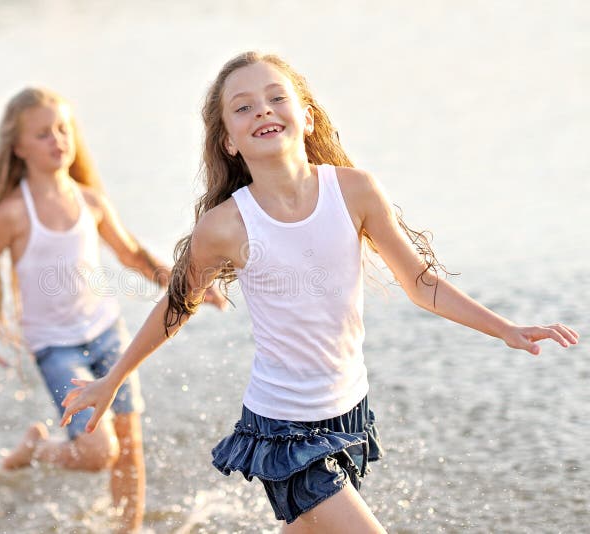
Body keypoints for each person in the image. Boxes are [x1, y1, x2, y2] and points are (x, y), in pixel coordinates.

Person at [59, 52, 580, 533]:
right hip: (284, 426)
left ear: (307, 116)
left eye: (276, 97)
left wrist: (505, 329)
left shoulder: (354, 191)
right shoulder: (225, 226)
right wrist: (114, 377)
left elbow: (421, 285)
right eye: (243, 107)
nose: (263, 110)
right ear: (229, 141)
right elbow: (177, 305)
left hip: (348, 410)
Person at [0, 87, 227, 533]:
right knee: (95, 453)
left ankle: (129, 530)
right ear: (18, 147)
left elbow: (131, 255)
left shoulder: (90, 201)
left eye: (63, 129)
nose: (58, 139)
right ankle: (36, 451)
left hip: (106, 332)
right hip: (56, 346)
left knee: (129, 443)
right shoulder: (11, 214)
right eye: (43, 134)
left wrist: (188, 284)